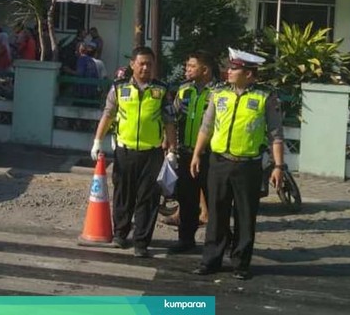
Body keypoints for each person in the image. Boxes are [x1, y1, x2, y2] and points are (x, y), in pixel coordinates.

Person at [190, 48, 284, 280]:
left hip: (248, 166)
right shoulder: (219, 93)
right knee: (216, 214)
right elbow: (206, 127)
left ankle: (241, 263)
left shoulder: (265, 97)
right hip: (219, 162)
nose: (228, 72)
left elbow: (276, 135)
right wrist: (196, 154)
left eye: (234, 68)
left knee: (245, 215)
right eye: (230, 67)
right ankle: (210, 260)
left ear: (249, 74)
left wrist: (278, 166)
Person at [91, 46, 177, 258]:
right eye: (141, 63)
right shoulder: (119, 88)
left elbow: (169, 122)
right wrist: (97, 141)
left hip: (152, 153)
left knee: (148, 199)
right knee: (123, 194)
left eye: (149, 64)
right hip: (125, 151)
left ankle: (141, 241)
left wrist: (172, 150)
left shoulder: (162, 90)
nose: (145, 67)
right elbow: (108, 114)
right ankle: (120, 234)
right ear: (133, 65)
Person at [168, 50, 219, 254]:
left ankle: (216, 243)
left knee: (214, 201)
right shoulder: (184, 90)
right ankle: (185, 239)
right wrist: (168, 143)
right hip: (186, 153)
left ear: (205, 69)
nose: (187, 69)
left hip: (211, 156)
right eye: (187, 66)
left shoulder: (220, 92)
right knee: (187, 198)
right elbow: (173, 116)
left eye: (192, 66)